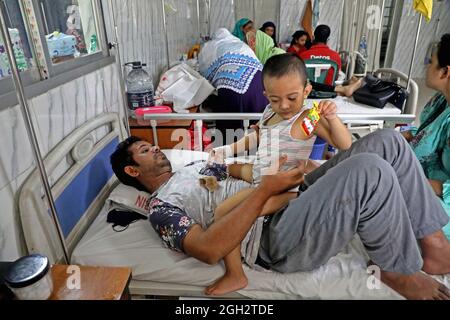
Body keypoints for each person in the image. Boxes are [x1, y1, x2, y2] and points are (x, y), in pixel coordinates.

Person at [110, 129, 450, 300]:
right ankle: (396, 270)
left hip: (285, 197)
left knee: (387, 141)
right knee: (370, 170)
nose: (155, 148)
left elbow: (240, 170)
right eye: (145, 150)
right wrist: (264, 191)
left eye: (152, 145)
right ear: (133, 171)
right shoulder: (162, 208)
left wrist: (301, 169)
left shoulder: (195, 166)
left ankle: (433, 245)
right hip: (271, 235)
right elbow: (208, 248)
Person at [205, 53, 352, 295]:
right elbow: (260, 136)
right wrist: (227, 149)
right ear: (266, 96)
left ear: (307, 90)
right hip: (261, 172)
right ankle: (228, 167)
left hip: (284, 187)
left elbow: (344, 144)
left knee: (224, 212)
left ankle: (236, 274)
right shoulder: (268, 112)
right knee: (225, 167)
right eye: (275, 99)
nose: (283, 105)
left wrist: (333, 118)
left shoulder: (308, 117)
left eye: (291, 98)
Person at [401, 34, 450, 241]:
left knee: (378, 197)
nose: (426, 66)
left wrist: (411, 182)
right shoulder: (441, 101)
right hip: (421, 178)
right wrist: (407, 136)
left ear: (446, 71)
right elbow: (427, 134)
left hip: (443, 203)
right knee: (383, 144)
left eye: (431, 62)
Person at [199, 28, 268, 130]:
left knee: (231, 131)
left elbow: (204, 70)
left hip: (231, 88)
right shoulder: (240, 44)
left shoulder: (212, 46)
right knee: (258, 128)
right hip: (260, 84)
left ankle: (232, 144)